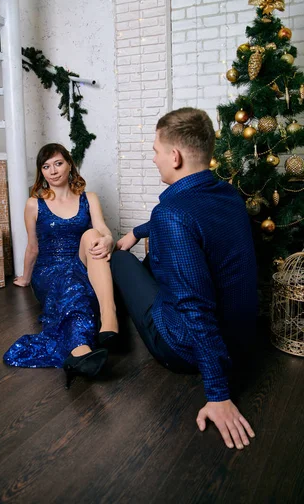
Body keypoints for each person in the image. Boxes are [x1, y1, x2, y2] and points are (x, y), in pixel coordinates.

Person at [111, 108, 257, 450]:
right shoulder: (228, 195)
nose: (154, 159)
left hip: (181, 349)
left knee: (117, 258)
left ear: (174, 157)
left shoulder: (171, 215)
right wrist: (138, 230)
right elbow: (194, 220)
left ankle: (107, 321)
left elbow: (195, 307)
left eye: (156, 151)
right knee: (159, 251)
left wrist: (218, 394)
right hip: (238, 342)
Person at [3, 143, 118, 388]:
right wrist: (25, 278)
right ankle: (80, 349)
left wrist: (108, 240)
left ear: (69, 164)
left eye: (58, 163)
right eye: (46, 166)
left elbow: (103, 230)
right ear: (41, 172)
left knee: (92, 236)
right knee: (72, 283)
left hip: (81, 262)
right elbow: (32, 246)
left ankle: (107, 322)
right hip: (48, 270)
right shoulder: (34, 204)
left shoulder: (89, 198)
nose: (53, 171)